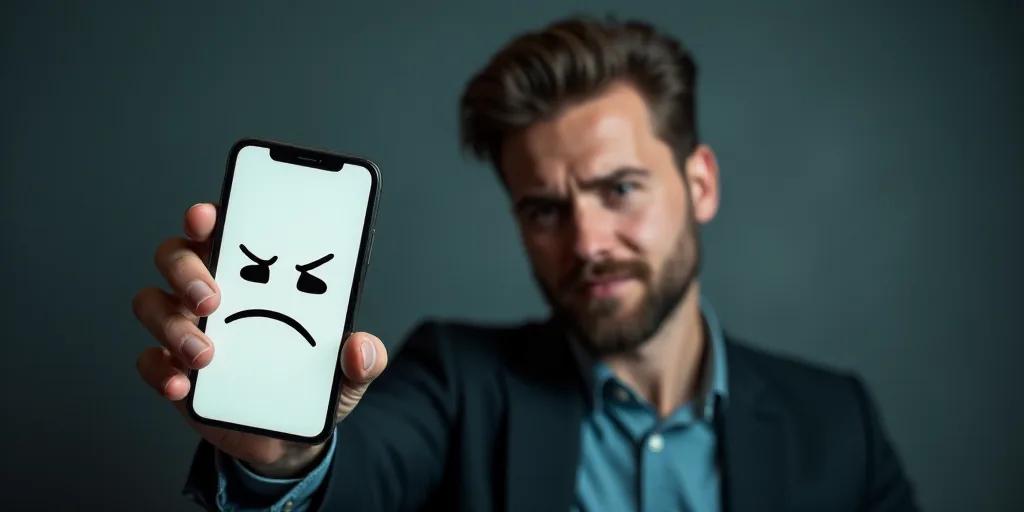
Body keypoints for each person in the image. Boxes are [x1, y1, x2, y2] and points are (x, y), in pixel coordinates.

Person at [132, 15, 920, 512]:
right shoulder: (453, 380)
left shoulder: (836, 422)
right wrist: (285, 457)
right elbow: (362, 476)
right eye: (544, 209)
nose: (586, 242)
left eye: (620, 188)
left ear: (700, 182)